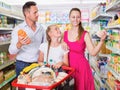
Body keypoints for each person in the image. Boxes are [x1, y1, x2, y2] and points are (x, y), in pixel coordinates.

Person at [63, 8, 107, 90]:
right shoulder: (65, 34)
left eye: (78, 17)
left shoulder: (85, 34)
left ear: (80, 18)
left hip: (82, 69)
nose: (75, 19)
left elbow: (93, 52)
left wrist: (102, 41)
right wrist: (62, 43)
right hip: (69, 68)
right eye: (73, 17)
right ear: (69, 18)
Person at [8, 1, 46, 77]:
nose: (37, 14)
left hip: (37, 64)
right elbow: (11, 51)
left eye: (37, 12)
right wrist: (20, 44)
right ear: (27, 14)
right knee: (23, 87)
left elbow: (44, 46)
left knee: (37, 86)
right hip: (22, 65)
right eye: (35, 12)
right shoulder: (18, 29)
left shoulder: (41, 28)